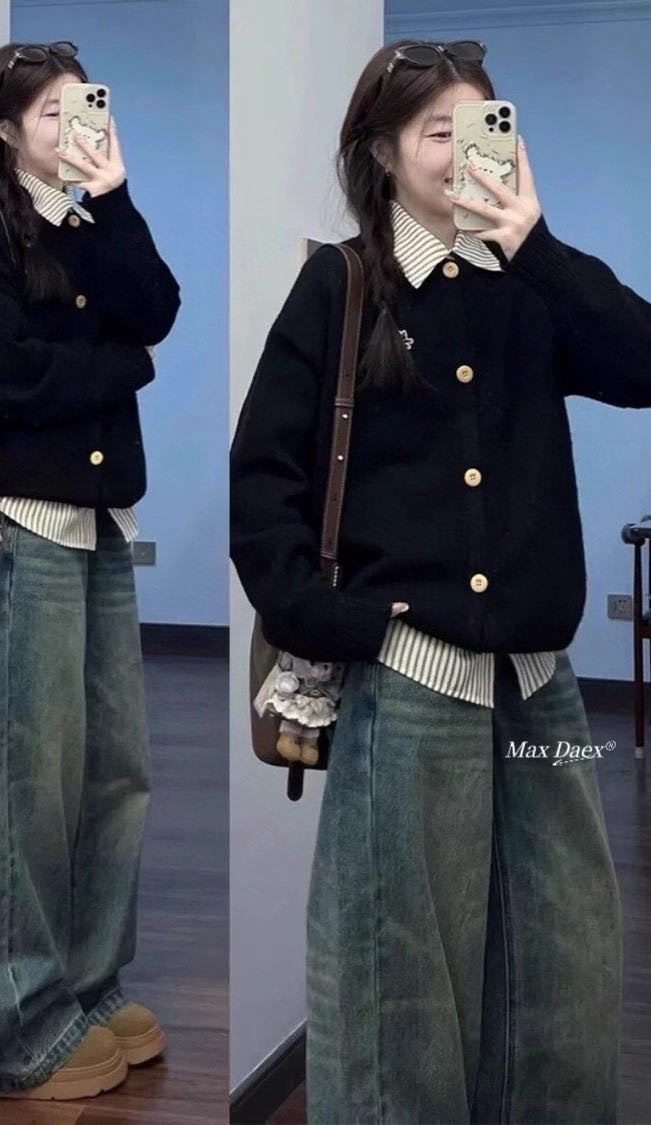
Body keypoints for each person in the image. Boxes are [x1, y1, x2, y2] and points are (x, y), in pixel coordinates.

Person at [230, 38, 651, 1125]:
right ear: (382, 152)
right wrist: (333, 620)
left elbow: (642, 362)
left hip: (543, 692)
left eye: (482, 128)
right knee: (399, 987)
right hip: (410, 684)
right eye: (436, 132)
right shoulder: (341, 284)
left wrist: (533, 243)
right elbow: (264, 477)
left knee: (563, 966)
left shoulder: (529, 284)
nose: (465, 151)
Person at [0, 40, 180, 1101]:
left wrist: (113, 197)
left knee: (111, 769)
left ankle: (83, 983)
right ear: (6, 132)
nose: (75, 129)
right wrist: (119, 370)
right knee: (21, 781)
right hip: (24, 523)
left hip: (102, 522)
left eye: (86, 109)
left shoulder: (90, 222)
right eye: (52, 115)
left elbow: (155, 308)